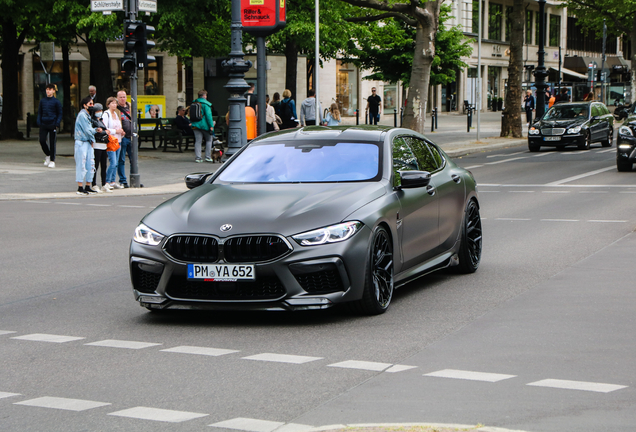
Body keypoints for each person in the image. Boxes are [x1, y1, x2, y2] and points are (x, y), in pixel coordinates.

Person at [74, 96, 101, 195]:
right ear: (84, 105)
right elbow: (87, 130)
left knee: (91, 164)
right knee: (81, 164)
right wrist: (96, 130)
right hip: (81, 142)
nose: (92, 105)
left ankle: (88, 186)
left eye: (92, 103)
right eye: (90, 104)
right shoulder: (82, 115)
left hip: (88, 142)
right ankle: (80, 187)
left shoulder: (88, 115)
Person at [102, 96, 125, 192]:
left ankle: (112, 181)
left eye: (115, 103)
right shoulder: (106, 114)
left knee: (116, 162)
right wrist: (116, 131)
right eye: (112, 103)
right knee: (113, 162)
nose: (114, 105)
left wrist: (121, 132)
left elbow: (119, 126)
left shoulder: (116, 113)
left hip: (118, 140)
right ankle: (106, 181)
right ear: (108, 105)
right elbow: (105, 129)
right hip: (111, 141)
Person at [37, 83, 62, 168]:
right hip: (44, 123)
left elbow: (59, 113)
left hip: (52, 124)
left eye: (50, 89)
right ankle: (48, 154)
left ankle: (52, 160)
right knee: (42, 140)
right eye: (47, 89)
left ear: (53, 91)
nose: (48, 91)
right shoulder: (42, 101)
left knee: (52, 143)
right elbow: (40, 112)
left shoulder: (56, 102)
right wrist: (39, 121)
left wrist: (57, 123)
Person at [191, 89, 215, 163]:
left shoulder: (194, 103)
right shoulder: (206, 104)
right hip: (205, 125)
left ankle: (198, 157)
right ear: (204, 96)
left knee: (198, 141)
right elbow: (208, 116)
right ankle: (207, 157)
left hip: (195, 124)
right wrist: (211, 126)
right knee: (209, 140)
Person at [89, 103, 108, 193]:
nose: (99, 112)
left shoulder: (101, 120)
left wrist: (104, 131)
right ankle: (94, 184)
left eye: (100, 110)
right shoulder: (93, 121)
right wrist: (104, 132)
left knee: (104, 166)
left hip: (104, 145)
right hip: (96, 145)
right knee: (95, 166)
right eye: (97, 111)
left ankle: (104, 184)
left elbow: (104, 131)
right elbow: (99, 132)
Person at [116, 90, 132, 188]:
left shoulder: (130, 106)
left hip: (132, 136)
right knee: (121, 160)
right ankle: (123, 180)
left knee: (133, 160)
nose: (123, 99)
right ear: (117, 98)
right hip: (122, 137)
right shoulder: (116, 108)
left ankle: (133, 179)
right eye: (121, 97)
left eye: (124, 97)